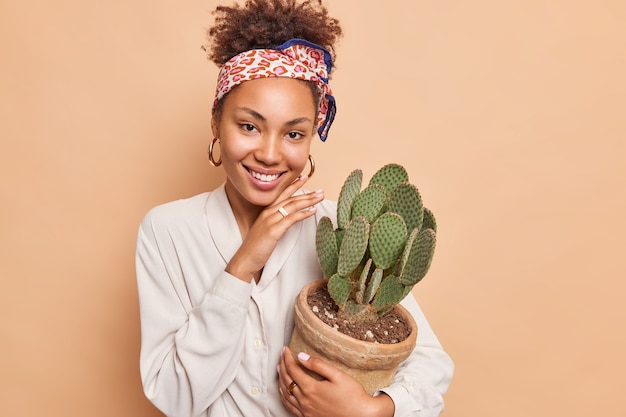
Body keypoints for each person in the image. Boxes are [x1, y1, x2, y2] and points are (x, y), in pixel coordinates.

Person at [135, 1, 453, 416]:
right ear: (216, 123)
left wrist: (375, 411)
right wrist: (244, 262)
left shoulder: (342, 229)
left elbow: (430, 363)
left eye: (294, 133)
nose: (269, 154)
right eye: (249, 126)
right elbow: (174, 396)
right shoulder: (167, 232)